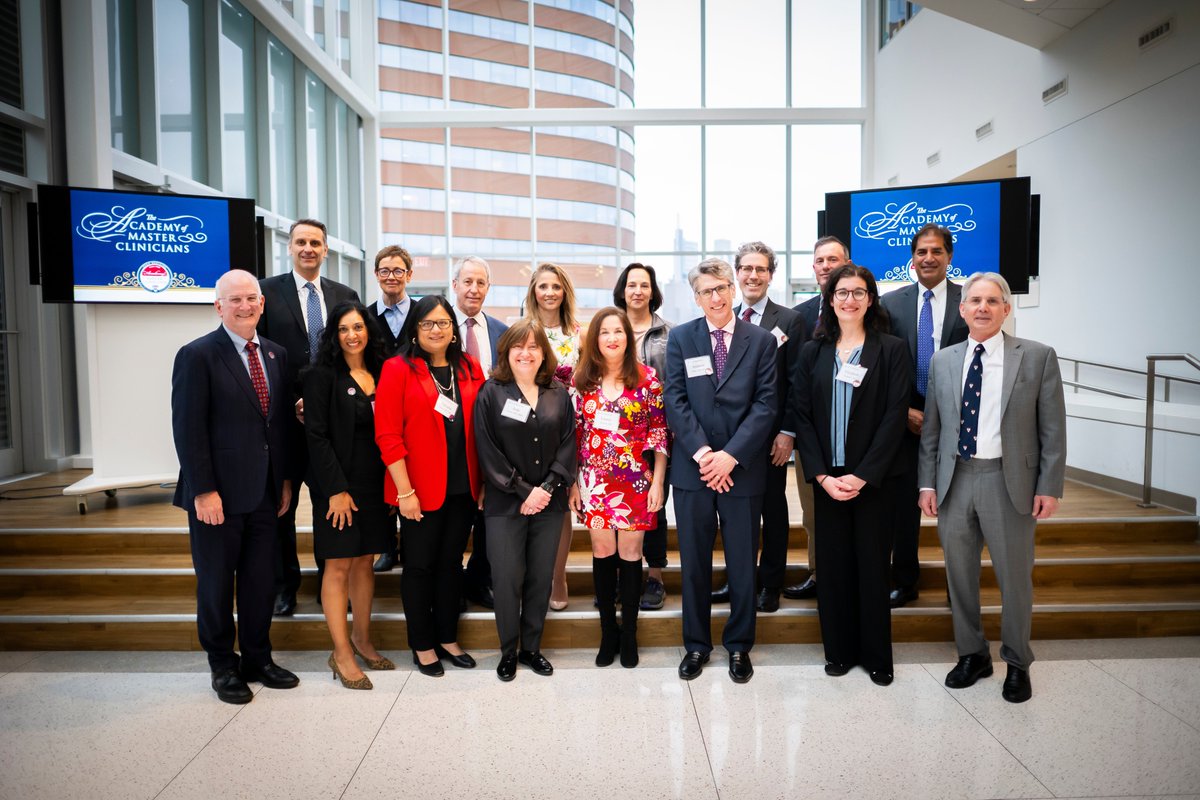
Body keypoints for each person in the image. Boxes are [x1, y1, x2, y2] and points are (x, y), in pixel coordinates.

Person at [918, 272, 1066, 704]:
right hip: (956, 479)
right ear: (962, 309)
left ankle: (1017, 662)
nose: (983, 307)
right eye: (975, 300)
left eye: (992, 301)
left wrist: (1050, 486)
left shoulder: (1037, 357)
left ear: (1007, 308)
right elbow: (933, 430)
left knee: (1015, 579)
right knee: (959, 577)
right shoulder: (943, 361)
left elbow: (1052, 429)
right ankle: (973, 655)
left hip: (1010, 481)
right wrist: (926, 483)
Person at [171, 269, 299, 704]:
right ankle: (223, 665)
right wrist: (203, 490)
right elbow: (188, 430)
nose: (245, 306)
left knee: (261, 582)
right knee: (216, 583)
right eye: (235, 300)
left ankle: (258, 658)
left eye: (252, 298)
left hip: (265, 493)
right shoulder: (197, 355)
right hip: (218, 498)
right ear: (218, 307)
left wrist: (283, 481)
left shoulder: (278, 355)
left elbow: (277, 427)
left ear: (262, 303)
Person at [793, 264, 910, 687]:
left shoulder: (892, 349)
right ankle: (838, 652)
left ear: (871, 299)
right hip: (828, 481)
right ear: (830, 299)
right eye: (841, 292)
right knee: (835, 569)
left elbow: (895, 417)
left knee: (874, 568)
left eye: (858, 292)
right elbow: (802, 417)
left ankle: (877, 657)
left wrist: (862, 476)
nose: (849, 300)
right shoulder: (813, 352)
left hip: (873, 481)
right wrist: (822, 476)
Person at [664, 258, 777, 684]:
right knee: (693, 561)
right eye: (706, 291)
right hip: (693, 471)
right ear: (696, 297)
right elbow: (674, 401)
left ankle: (738, 646)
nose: (715, 296)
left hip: (742, 470)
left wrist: (730, 456)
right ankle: (695, 645)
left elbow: (767, 404)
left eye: (721, 288)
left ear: (732, 290)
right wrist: (705, 454)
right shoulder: (681, 338)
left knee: (743, 563)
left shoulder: (761, 340)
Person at [375, 295, 486, 677]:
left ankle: (447, 636)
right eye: (427, 324)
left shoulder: (470, 368)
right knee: (419, 567)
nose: (436, 330)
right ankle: (422, 643)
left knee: (451, 565)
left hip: (463, 487)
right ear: (415, 330)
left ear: (454, 329)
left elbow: (483, 429)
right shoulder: (397, 369)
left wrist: (484, 481)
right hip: (417, 491)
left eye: (443, 323)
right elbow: (388, 435)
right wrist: (404, 492)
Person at [257, 219, 361, 616]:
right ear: (289, 246)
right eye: (301, 241)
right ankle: (285, 584)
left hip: (328, 425)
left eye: (316, 242)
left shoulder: (343, 294)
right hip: (282, 421)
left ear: (326, 250)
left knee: (328, 504)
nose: (308, 248)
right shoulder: (266, 292)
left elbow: (350, 355)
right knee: (280, 509)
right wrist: (294, 401)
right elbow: (262, 354)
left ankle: (330, 582)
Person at [474, 319, 577, 681]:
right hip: (506, 503)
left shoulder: (558, 393)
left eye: (534, 346)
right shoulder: (491, 392)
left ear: (543, 353)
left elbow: (568, 446)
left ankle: (531, 648)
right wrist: (523, 490)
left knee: (539, 577)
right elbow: (487, 450)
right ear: (507, 351)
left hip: (550, 504)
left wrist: (546, 489)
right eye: (519, 346)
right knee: (506, 577)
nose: (526, 352)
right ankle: (508, 650)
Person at [569, 308, 668, 668]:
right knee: (601, 552)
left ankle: (629, 633)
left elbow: (659, 434)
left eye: (618, 331)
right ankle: (607, 631)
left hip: (634, 482)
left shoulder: (647, 379)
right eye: (604, 332)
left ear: (628, 337)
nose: (611, 338)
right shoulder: (584, 381)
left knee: (630, 555)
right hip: (594, 482)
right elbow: (576, 437)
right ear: (595, 339)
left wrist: (658, 483)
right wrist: (576, 485)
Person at [710, 241, 804, 613]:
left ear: (770, 274)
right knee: (736, 515)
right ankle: (738, 580)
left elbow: (796, 382)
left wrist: (788, 432)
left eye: (760, 269)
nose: (753, 275)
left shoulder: (790, 320)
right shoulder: (723, 315)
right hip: (730, 440)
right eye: (746, 268)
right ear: (737, 273)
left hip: (770, 440)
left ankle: (770, 584)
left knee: (773, 511)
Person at [879, 223, 969, 608]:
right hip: (906, 414)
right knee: (902, 507)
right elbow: (880, 364)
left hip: (960, 416)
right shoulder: (891, 303)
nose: (928, 258)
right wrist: (904, 412)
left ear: (949, 256)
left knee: (959, 506)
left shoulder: (969, 300)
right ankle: (905, 579)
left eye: (936, 251)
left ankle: (959, 585)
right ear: (912, 259)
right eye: (921, 252)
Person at [785, 235, 850, 601]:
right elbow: (795, 376)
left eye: (833, 259)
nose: (826, 266)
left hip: (855, 433)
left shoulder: (870, 311)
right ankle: (817, 572)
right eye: (820, 260)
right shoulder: (801, 316)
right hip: (812, 434)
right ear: (813, 268)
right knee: (813, 512)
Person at [612, 263, 674, 611]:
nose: (637, 290)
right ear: (622, 290)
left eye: (644, 285)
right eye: (631, 284)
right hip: (615, 438)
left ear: (653, 291)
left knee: (655, 504)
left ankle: (655, 575)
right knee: (618, 504)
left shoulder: (669, 332)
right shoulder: (608, 326)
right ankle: (622, 575)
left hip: (655, 433)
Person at [524, 262, 582, 610]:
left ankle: (558, 575)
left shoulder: (578, 332)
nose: (549, 292)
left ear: (564, 292)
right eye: (543, 286)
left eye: (555, 286)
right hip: (528, 427)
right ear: (533, 291)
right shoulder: (523, 332)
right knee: (532, 500)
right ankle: (535, 576)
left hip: (567, 427)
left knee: (561, 507)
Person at [453, 256, 510, 609]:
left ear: (488, 288)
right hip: (451, 436)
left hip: (493, 436)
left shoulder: (502, 332)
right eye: (468, 281)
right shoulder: (438, 326)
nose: (474, 289)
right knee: (457, 512)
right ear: (455, 284)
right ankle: (453, 581)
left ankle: (479, 578)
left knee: (491, 513)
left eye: (481, 283)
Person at [369, 245, 415, 573]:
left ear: (409, 275)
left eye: (398, 270)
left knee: (413, 475)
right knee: (379, 477)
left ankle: (412, 544)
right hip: (376, 411)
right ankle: (387, 546)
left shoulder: (423, 313)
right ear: (376, 275)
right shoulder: (365, 316)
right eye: (385, 270)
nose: (391, 277)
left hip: (416, 410)